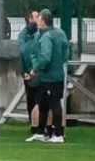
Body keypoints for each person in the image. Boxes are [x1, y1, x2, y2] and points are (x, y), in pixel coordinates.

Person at [26, 10, 70, 144]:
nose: (37, 21)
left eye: (39, 18)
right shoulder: (60, 33)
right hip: (56, 75)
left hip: (49, 77)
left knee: (55, 104)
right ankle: (40, 132)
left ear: (43, 21)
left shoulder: (46, 37)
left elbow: (45, 57)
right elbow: (66, 51)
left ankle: (58, 134)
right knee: (43, 105)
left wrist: (36, 68)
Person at [19, 10, 44, 141]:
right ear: (29, 19)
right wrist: (25, 72)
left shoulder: (42, 34)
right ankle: (34, 124)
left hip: (38, 72)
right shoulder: (24, 36)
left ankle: (41, 126)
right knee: (31, 99)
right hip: (30, 72)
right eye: (35, 16)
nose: (37, 19)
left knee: (40, 100)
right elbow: (23, 53)